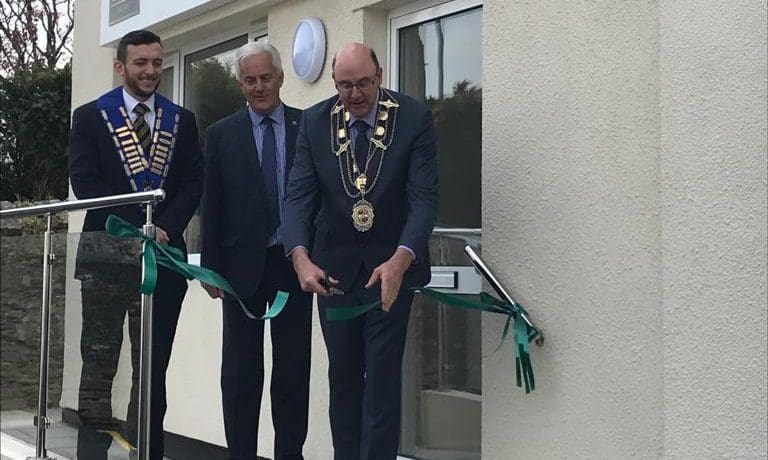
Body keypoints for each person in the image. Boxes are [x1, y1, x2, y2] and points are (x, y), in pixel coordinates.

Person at [282, 43, 439, 460]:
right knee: (345, 380)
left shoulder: (414, 118)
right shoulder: (316, 123)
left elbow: (424, 199)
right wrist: (300, 257)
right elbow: (298, 196)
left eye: (363, 83)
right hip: (334, 275)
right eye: (345, 85)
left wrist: (402, 259)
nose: (354, 94)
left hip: (391, 271)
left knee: (383, 383)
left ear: (380, 75)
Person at [68, 29, 203, 460]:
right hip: (106, 257)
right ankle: (92, 454)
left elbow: (192, 182)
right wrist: (140, 226)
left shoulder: (181, 120)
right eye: (141, 62)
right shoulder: (90, 117)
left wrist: (162, 227)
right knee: (98, 367)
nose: (150, 71)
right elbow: (86, 183)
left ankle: (146, 452)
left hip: (162, 259)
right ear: (120, 66)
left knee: (152, 370)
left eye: (157, 62)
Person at [200, 42, 313, 460]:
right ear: (240, 83)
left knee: (292, 372)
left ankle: (289, 454)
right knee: (241, 373)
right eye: (250, 79)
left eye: (266, 77)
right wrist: (210, 269)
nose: (259, 86)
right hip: (239, 269)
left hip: (293, 265)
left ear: (281, 78)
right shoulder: (222, 134)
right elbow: (211, 205)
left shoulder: (309, 127)